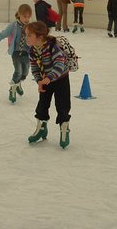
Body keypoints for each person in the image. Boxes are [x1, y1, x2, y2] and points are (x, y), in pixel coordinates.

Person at [25, 21, 71, 149]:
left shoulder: (52, 47)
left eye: (29, 35)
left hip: (61, 79)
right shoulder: (33, 51)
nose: (26, 38)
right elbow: (34, 67)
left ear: (39, 37)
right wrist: (39, 80)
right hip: (45, 80)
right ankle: (41, 128)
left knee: (62, 106)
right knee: (42, 105)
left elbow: (59, 64)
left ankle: (64, 129)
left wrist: (49, 78)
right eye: (26, 35)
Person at [0, 4, 32, 103]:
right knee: (18, 71)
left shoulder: (30, 27)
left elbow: (35, 39)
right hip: (16, 52)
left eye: (29, 17)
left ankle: (18, 83)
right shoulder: (13, 26)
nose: (27, 19)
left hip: (26, 53)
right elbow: (2, 34)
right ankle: (12, 88)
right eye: (25, 16)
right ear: (19, 15)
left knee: (25, 72)